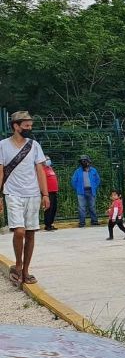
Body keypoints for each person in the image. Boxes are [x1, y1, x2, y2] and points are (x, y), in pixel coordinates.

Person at [0, 111, 50, 287]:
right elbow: (0, 171)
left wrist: (45, 194)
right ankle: (18, 265)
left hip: (34, 194)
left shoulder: (34, 145)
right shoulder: (3, 146)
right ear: (16, 126)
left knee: (30, 233)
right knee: (19, 231)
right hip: (12, 193)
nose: (30, 128)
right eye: (26, 125)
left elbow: (40, 170)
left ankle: (26, 270)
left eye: (31, 125)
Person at [71, 155, 101, 227]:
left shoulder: (93, 170)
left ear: (88, 162)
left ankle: (94, 221)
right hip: (81, 192)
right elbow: (73, 181)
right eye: (82, 161)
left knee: (92, 206)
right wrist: (78, 188)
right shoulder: (77, 171)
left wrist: (94, 187)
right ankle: (82, 222)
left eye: (85, 161)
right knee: (81, 207)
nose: (83, 162)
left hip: (91, 191)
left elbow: (98, 180)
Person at [43, 156, 59, 231]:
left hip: (54, 191)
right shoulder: (42, 170)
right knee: (48, 208)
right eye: (47, 159)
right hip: (48, 192)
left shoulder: (50, 168)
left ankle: (51, 223)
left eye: (49, 159)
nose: (48, 160)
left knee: (54, 208)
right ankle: (47, 224)